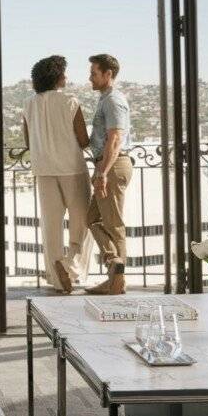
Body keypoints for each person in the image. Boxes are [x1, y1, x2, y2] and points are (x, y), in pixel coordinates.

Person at [21, 55, 93, 293]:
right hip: (72, 168)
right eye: (64, 73)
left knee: (51, 225)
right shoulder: (70, 101)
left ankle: (55, 275)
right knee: (82, 223)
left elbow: (28, 140)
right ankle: (71, 268)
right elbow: (83, 140)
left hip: (43, 169)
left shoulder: (28, 104)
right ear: (58, 77)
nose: (66, 77)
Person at [84, 54, 132, 296]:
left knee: (114, 226)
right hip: (105, 165)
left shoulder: (114, 100)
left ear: (108, 74)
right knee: (92, 218)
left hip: (112, 166)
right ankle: (114, 264)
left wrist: (102, 172)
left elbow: (115, 139)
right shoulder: (105, 99)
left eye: (94, 73)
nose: (90, 77)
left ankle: (117, 282)